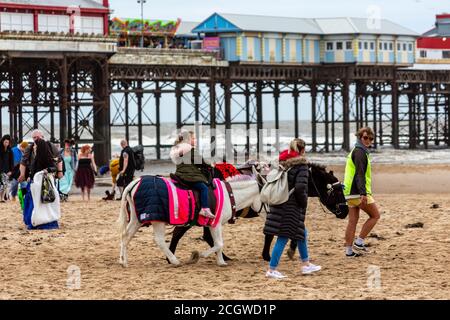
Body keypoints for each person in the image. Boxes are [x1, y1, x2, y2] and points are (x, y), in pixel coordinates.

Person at [264, 138, 321, 279]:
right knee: (283, 237)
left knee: (301, 233)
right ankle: (271, 270)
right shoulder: (301, 165)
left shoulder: (282, 162)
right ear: (302, 150)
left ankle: (306, 264)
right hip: (291, 206)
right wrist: (303, 203)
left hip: (279, 202)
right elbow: (301, 187)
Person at [343, 127, 381, 257]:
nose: (368, 141)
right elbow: (360, 174)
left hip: (349, 192)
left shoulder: (355, 150)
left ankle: (348, 252)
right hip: (357, 192)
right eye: (365, 138)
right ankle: (359, 242)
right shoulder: (360, 152)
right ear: (360, 137)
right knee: (375, 215)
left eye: (371, 139)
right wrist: (363, 193)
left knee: (352, 220)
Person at [18, 129, 63, 230]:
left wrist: (58, 172)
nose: (35, 140)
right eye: (34, 138)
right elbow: (24, 163)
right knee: (33, 201)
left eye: (37, 138)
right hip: (35, 181)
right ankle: (31, 220)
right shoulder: (30, 149)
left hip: (44, 181)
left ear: (42, 137)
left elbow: (58, 161)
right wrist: (24, 175)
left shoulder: (49, 147)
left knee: (44, 201)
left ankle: (40, 221)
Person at [170, 131, 215, 219]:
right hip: (189, 175)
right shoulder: (189, 149)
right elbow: (200, 161)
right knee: (203, 187)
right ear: (188, 139)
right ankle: (204, 208)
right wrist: (210, 165)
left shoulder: (178, 149)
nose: (195, 140)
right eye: (193, 138)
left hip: (180, 174)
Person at [0, 135, 14, 202]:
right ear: (2, 141)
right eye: (5, 142)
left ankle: (2, 198)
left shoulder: (10, 150)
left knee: (5, 185)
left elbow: (11, 161)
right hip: (1, 170)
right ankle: (2, 198)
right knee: (2, 185)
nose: (6, 144)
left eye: (7, 142)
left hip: (7, 170)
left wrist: (11, 170)